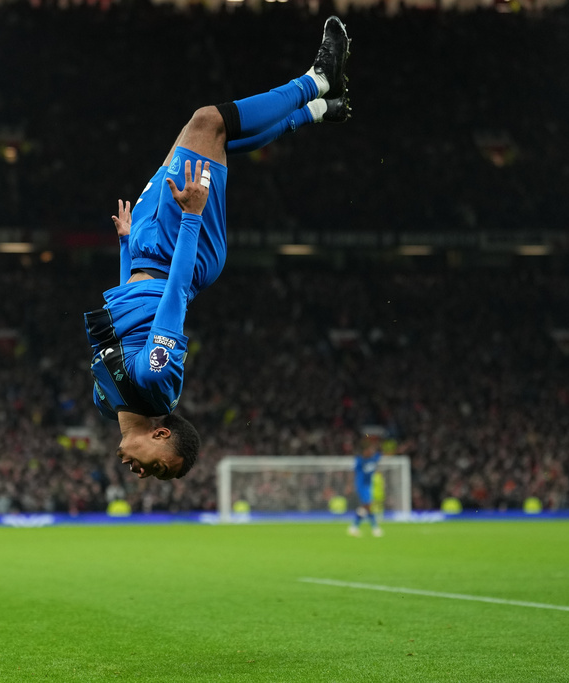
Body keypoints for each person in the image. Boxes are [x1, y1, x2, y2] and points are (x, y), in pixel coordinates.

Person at [83, 17, 352, 481]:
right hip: (181, 247)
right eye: (157, 468)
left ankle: (323, 110)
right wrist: (192, 216)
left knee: (214, 137)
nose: (141, 473)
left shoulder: (105, 402)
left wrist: (128, 246)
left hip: (148, 246)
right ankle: (317, 81)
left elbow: (128, 308)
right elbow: (173, 296)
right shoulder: (156, 381)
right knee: (208, 122)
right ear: (161, 435)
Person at [348, 444, 383, 537]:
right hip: (361, 485)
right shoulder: (359, 461)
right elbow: (354, 472)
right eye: (368, 450)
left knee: (365, 507)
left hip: (368, 486)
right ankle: (375, 527)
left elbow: (380, 453)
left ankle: (354, 527)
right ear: (364, 451)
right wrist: (349, 485)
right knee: (368, 506)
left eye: (371, 450)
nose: (370, 452)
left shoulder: (373, 459)